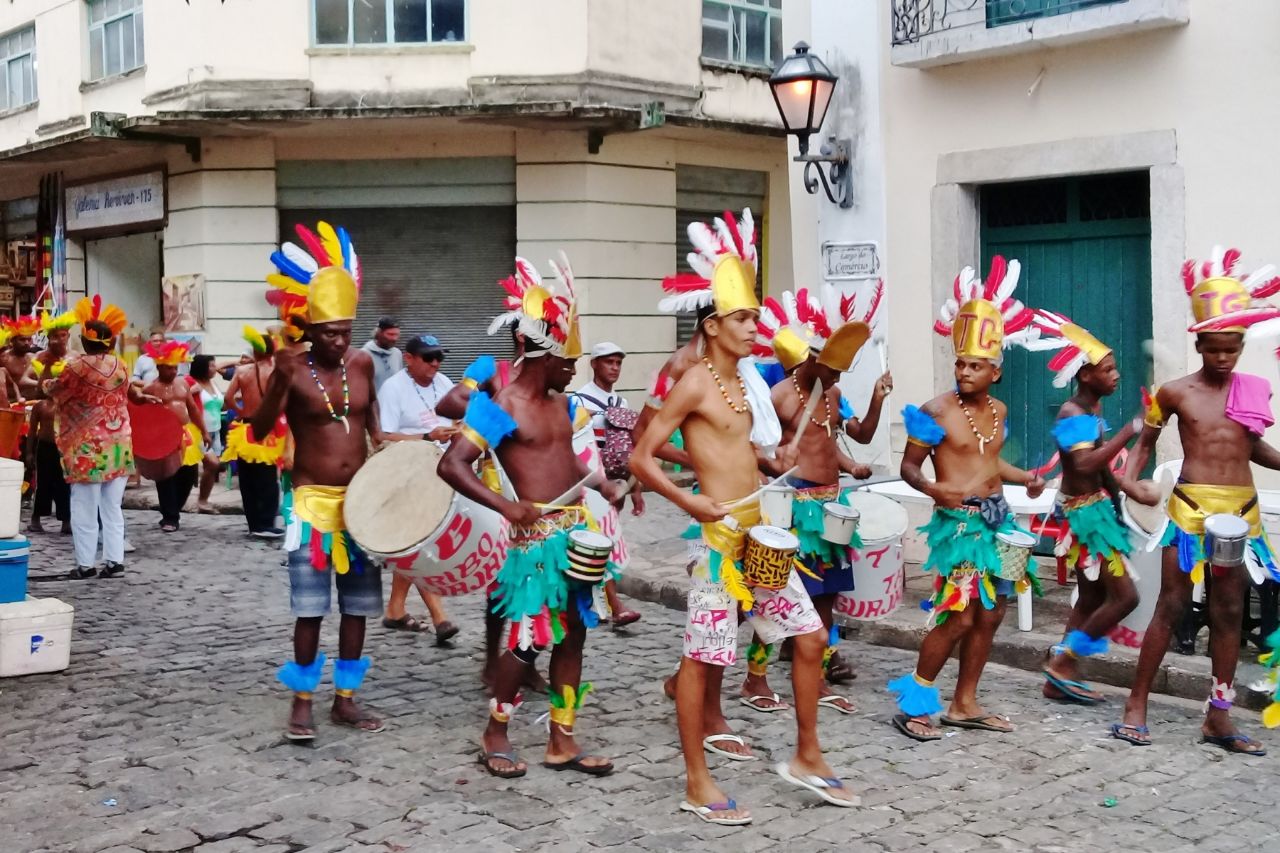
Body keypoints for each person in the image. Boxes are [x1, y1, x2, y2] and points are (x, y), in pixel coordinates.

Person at [632, 209, 855, 827]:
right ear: (712, 325)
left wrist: (768, 456)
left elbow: (739, 449)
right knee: (704, 661)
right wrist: (688, 501)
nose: (755, 327)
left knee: (809, 639)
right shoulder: (695, 381)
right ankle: (697, 781)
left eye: (756, 316)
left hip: (762, 537)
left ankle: (808, 754)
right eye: (742, 318)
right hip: (717, 543)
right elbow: (641, 456)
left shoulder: (746, 383)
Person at [438, 252, 623, 780]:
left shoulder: (562, 403)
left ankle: (562, 740)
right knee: (528, 642)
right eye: (568, 361)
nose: (575, 369)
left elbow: (566, 461)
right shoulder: (505, 405)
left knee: (572, 636)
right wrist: (506, 506)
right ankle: (495, 731)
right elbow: (452, 465)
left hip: (574, 534)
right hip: (535, 541)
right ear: (543, 357)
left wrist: (601, 482)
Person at [1113, 246, 1280, 755]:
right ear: (1200, 342)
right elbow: (1142, 446)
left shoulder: (1254, 389)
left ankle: (1219, 717)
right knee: (1171, 606)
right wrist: (1127, 485)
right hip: (1187, 512)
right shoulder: (1174, 392)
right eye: (1215, 348)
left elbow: (1254, 449)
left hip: (1241, 516)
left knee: (1230, 613)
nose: (1224, 357)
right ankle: (1135, 703)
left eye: (1232, 348)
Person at [888, 256, 1046, 742]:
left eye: (976, 365)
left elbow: (989, 462)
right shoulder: (935, 410)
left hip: (999, 520)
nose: (965, 371)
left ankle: (965, 703)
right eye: (961, 363)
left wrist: (1027, 477)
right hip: (960, 526)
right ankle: (915, 702)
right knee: (957, 614)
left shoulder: (997, 410)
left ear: (995, 371)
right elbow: (908, 468)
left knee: (992, 612)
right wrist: (935, 489)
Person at [261, 221, 385, 743]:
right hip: (311, 504)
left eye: (346, 332)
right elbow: (260, 427)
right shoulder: (290, 366)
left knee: (357, 607)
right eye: (330, 333)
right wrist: (279, 383)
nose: (340, 342)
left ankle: (346, 700)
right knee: (311, 610)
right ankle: (302, 701)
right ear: (309, 328)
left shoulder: (363, 366)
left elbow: (375, 429)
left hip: (360, 504)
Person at [742, 283, 889, 716]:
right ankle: (756, 678)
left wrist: (875, 406)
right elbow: (755, 449)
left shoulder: (833, 393)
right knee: (780, 595)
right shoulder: (780, 397)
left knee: (827, 596)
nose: (838, 376)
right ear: (807, 360)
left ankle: (816, 677)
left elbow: (848, 437)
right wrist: (772, 473)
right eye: (831, 366)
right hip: (794, 504)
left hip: (831, 504)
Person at [1025, 311, 1142, 704]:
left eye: (1115, 368)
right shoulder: (1073, 413)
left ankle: (1056, 674)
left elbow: (1101, 466)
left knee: (1092, 598)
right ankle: (1064, 665)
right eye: (1107, 370)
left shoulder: (1092, 410)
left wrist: (1122, 498)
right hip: (1085, 516)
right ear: (1085, 375)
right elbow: (1083, 464)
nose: (1116, 375)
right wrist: (1130, 431)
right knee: (1126, 598)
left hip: (1096, 510)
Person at [439, 326, 548, 694]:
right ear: (521, 336)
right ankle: (491, 662)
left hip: (537, 489)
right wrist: (498, 413)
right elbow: (449, 403)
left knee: (539, 580)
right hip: (500, 490)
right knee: (501, 584)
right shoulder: (494, 371)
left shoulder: (550, 371)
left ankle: (526, 662)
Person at [39, 297, 159, 579]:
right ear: (110, 341)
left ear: (83, 339)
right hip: (118, 446)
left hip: (87, 450)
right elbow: (132, 395)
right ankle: (115, 562)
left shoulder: (75, 367)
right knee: (112, 508)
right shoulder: (121, 366)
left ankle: (85, 564)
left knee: (83, 508)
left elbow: (52, 390)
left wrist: (46, 368)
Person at [377, 333, 459, 642]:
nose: (436, 363)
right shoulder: (393, 388)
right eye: (428, 357)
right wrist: (426, 438)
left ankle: (396, 608)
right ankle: (440, 617)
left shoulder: (444, 382)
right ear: (408, 359)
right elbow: (383, 437)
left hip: (442, 474)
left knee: (417, 543)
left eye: (440, 356)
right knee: (419, 543)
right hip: (408, 473)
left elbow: (460, 415)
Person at [573, 341, 643, 628]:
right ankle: (616, 606)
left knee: (603, 539)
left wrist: (635, 489)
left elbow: (630, 447)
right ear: (594, 364)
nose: (614, 368)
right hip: (590, 483)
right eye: (608, 362)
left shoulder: (622, 403)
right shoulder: (579, 401)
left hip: (617, 483)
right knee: (603, 541)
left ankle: (594, 600)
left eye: (618, 363)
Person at [222, 327, 285, 538]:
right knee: (267, 477)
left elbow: (229, 398)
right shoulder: (278, 370)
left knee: (247, 478)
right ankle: (267, 523)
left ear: (256, 352)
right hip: (268, 428)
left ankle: (254, 523)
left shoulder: (241, 372)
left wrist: (241, 411)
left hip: (245, 427)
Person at [142, 341, 209, 532]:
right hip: (162, 436)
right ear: (159, 367)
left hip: (185, 433)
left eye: (175, 368)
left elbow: (193, 409)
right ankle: (170, 517)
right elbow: (143, 415)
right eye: (169, 368)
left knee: (188, 475)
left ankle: (174, 508)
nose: (173, 372)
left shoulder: (182, 384)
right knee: (165, 478)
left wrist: (204, 431)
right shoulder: (151, 389)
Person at [26, 386, 69, 535]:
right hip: (45, 448)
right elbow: (32, 430)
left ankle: (66, 521)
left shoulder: (66, 405)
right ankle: (35, 520)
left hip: (62, 448)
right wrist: (29, 452)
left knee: (64, 485)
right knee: (43, 484)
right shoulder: (40, 406)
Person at [188, 354, 226, 513]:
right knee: (212, 464)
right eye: (211, 366)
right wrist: (190, 392)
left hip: (215, 430)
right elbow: (181, 399)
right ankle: (200, 500)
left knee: (211, 468)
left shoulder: (212, 383)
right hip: (198, 431)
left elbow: (221, 405)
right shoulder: (190, 382)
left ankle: (203, 500)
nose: (214, 368)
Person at [20, 309, 75, 397]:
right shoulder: (40, 355)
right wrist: (44, 383)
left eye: (63, 335)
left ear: (68, 336)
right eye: (56, 336)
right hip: (44, 399)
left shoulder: (75, 355)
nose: (60, 339)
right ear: (49, 338)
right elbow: (23, 380)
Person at [1, 312, 38, 402]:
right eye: (22, 339)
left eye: (29, 339)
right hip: (12, 403)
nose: (26, 343)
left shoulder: (34, 357)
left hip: (32, 402)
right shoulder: (3, 358)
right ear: (12, 341)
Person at [361, 317, 403, 391]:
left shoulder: (397, 354)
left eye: (397, 335)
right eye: (390, 334)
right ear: (379, 333)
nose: (394, 339)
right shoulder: (363, 355)